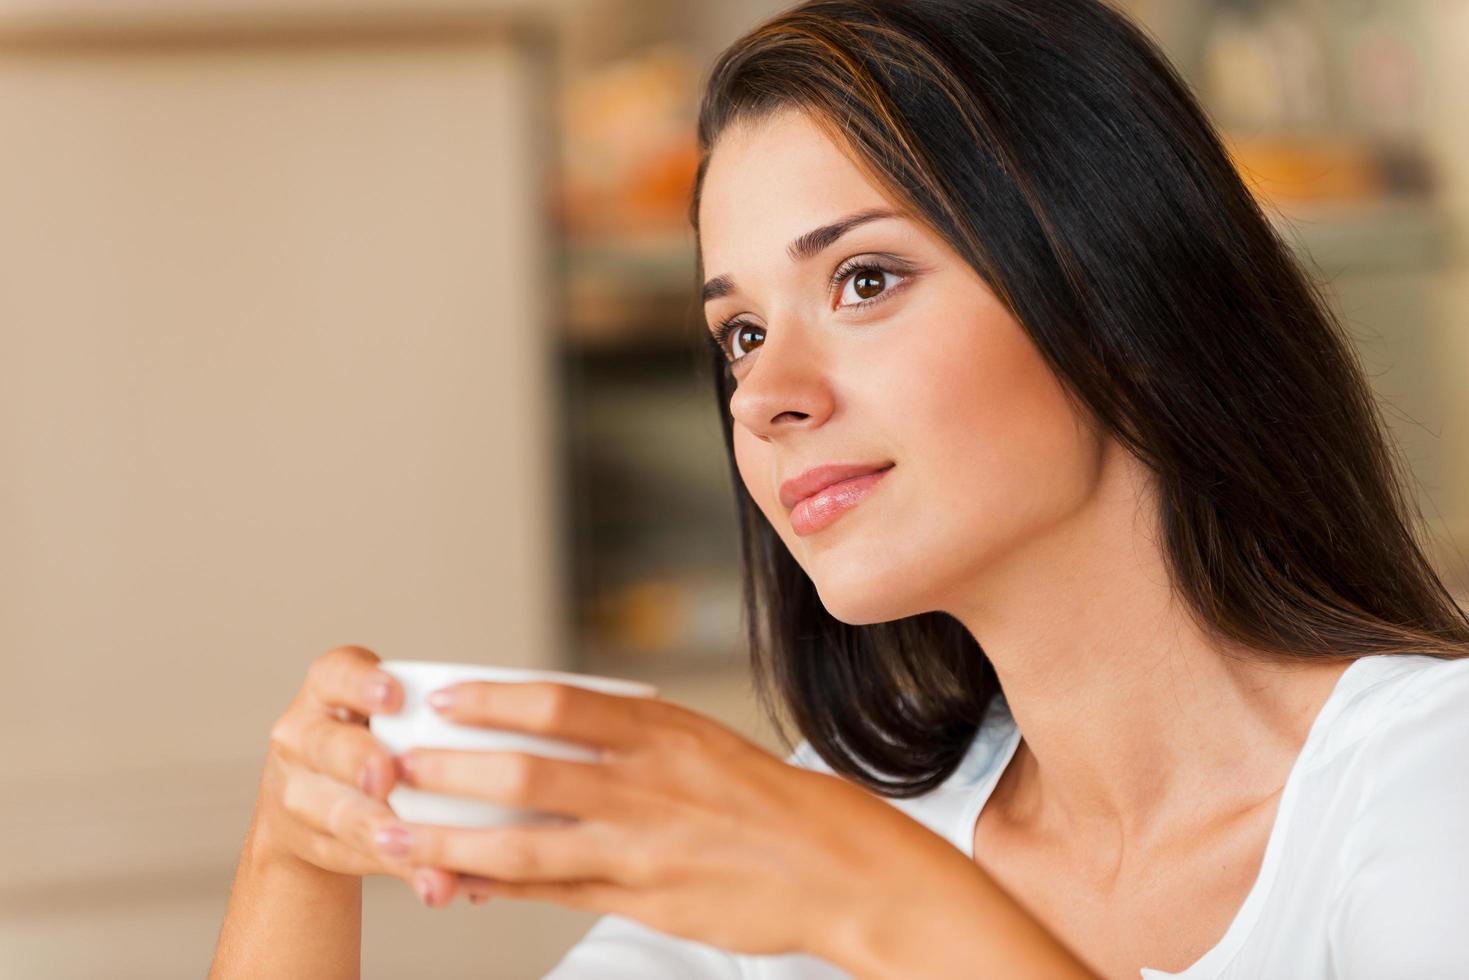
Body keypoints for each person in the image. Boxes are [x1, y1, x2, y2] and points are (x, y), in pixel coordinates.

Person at [209, 1, 1469, 977]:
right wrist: (293, 852)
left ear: (1120, 292)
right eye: (740, 333)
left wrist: (869, 896)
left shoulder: (1427, 780)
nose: (761, 396)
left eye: (862, 280)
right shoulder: (841, 823)